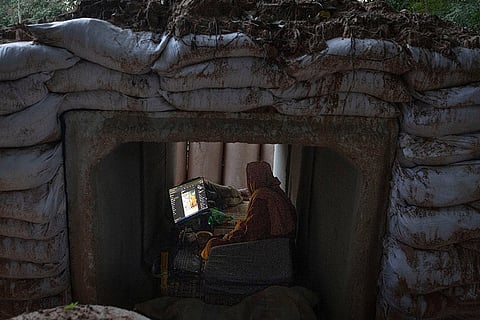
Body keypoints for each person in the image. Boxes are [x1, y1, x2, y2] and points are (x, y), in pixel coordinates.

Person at [200, 161, 297, 260]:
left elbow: (252, 235)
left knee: (212, 244)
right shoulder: (276, 191)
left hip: (266, 248)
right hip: (279, 244)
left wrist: (232, 236)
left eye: (250, 178)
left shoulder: (261, 198)